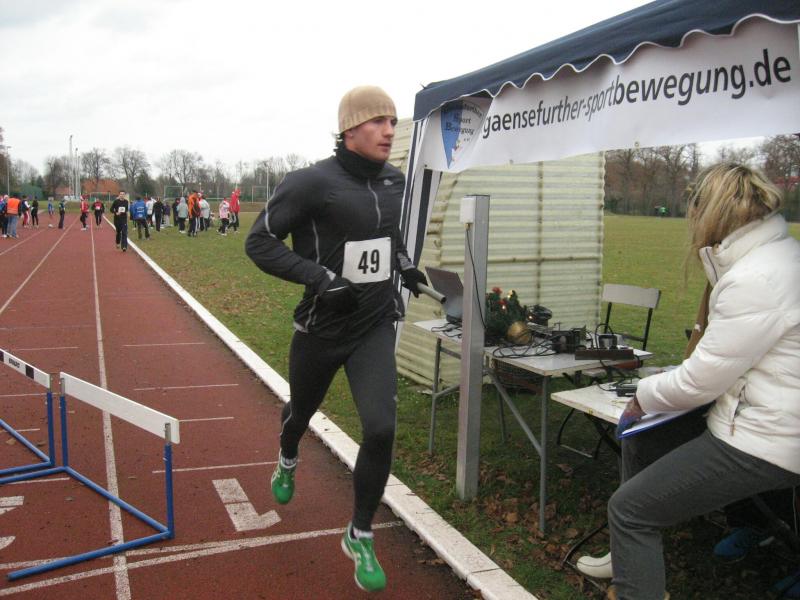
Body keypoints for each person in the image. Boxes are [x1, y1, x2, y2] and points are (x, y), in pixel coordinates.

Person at [585, 164, 800, 600]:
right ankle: (627, 557)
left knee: (629, 510)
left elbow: (701, 381)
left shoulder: (755, 277)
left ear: (713, 211)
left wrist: (643, 395)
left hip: (767, 437)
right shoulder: (773, 255)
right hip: (758, 415)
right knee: (644, 439)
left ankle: (632, 552)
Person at [245, 86, 428, 594]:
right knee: (300, 414)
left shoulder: (393, 181)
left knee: (381, 428)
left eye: (393, 122)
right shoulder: (311, 182)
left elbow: (387, 237)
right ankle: (287, 455)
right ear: (350, 129)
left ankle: (360, 533)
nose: (389, 131)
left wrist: (405, 266)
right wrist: (321, 279)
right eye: (378, 121)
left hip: (373, 325)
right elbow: (259, 242)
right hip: (322, 328)